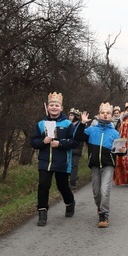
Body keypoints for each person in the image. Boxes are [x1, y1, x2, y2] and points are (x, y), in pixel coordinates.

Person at [30, 92, 78, 227]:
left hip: (62, 161)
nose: (54, 108)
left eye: (57, 105)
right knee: (43, 185)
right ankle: (42, 212)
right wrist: (43, 141)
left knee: (62, 186)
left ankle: (70, 202)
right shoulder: (41, 124)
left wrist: (60, 144)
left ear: (61, 108)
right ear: (48, 107)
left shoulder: (68, 124)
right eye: (52, 105)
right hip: (45, 161)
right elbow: (33, 142)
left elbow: (75, 142)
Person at [75, 103, 122, 228]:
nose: (105, 115)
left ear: (111, 116)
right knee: (97, 192)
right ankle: (100, 207)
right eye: (103, 113)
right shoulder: (91, 130)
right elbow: (77, 136)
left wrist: (123, 151)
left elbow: (121, 152)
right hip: (95, 164)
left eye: (108, 113)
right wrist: (82, 123)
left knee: (105, 190)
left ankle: (104, 214)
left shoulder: (115, 133)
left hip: (108, 165)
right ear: (98, 115)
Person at [67, 108, 84, 189]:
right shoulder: (67, 124)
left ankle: (73, 181)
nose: (70, 117)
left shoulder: (80, 125)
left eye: (72, 115)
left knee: (74, 164)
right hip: (68, 146)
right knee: (67, 164)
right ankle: (68, 179)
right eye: (69, 115)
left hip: (77, 148)